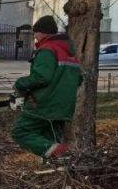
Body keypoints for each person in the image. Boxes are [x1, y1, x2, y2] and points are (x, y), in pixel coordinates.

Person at [10, 15, 83, 159]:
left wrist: (20, 84)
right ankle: (60, 167)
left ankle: (61, 154)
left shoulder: (47, 50)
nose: (35, 37)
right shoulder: (68, 51)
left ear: (42, 32)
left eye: (35, 33)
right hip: (64, 106)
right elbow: (79, 78)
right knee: (51, 138)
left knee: (21, 132)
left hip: (44, 105)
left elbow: (42, 77)